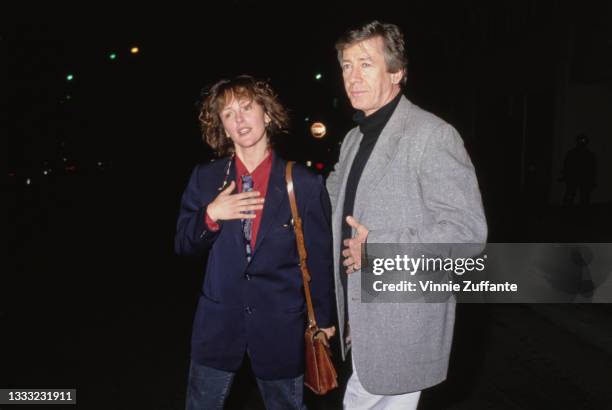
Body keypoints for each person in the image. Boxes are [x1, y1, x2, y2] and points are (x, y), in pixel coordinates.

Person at [326, 21, 487, 409]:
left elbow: (467, 234)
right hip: (361, 321)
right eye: (346, 65)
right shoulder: (354, 138)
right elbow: (326, 202)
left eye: (365, 64)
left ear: (397, 72)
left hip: (402, 322)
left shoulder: (432, 135)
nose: (352, 77)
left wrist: (377, 249)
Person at [175, 75, 335, 410]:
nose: (239, 119)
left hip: (280, 325)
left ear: (267, 114)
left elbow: (319, 258)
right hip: (217, 325)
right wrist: (211, 214)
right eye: (229, 114)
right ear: (222, 126)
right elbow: (184, 245)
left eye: (247, 108)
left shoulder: (302, 183)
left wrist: (323, 317)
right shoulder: (205, 179)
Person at [561, 133, 597, 207]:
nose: (582, 142)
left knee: (583, 197)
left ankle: (580, 213)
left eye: (583, 141)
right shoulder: (574, 153)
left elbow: (592, 169)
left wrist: (592, 180)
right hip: (575, 177)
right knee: (571, 195)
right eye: (581, 140)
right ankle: (567, 211)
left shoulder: (589, 155)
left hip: (583, 178)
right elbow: (567, 166)